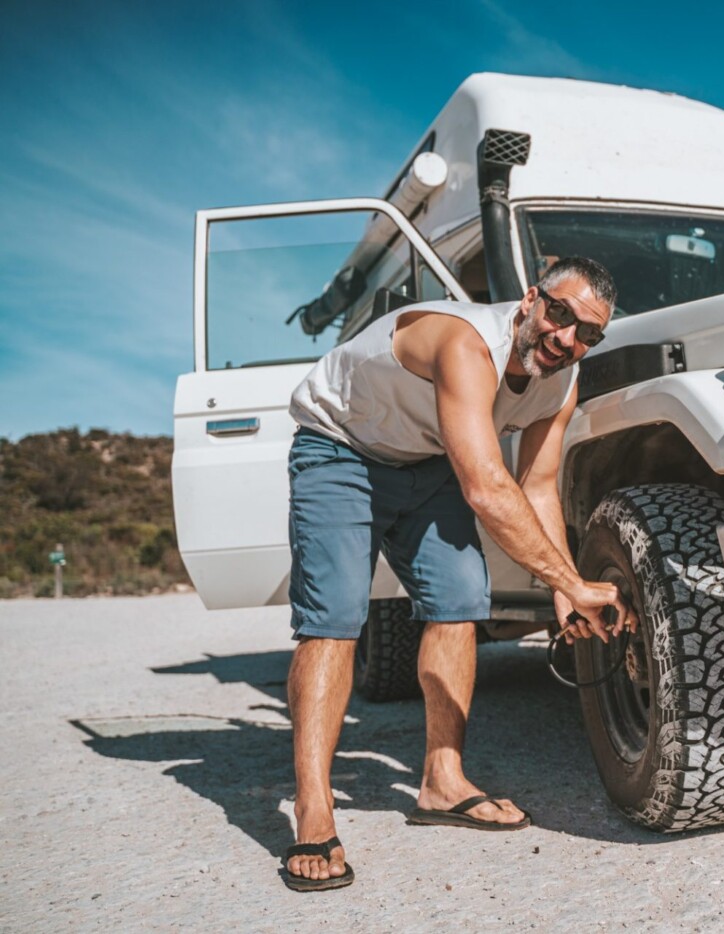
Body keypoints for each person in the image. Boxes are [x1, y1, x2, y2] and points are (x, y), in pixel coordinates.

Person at [279, 256, 636, 892]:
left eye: (588, 333)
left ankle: (443, 783)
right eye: (559, 314)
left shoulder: (563, 379)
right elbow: (486, 487)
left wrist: (564, 588)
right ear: (531, 300)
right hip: (340, 446)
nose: (566, 338)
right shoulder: (466, 342)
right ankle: (314, 811)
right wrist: (578, 586)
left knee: (461, 599)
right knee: (334, 619)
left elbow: (540, 485)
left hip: (426, 462)